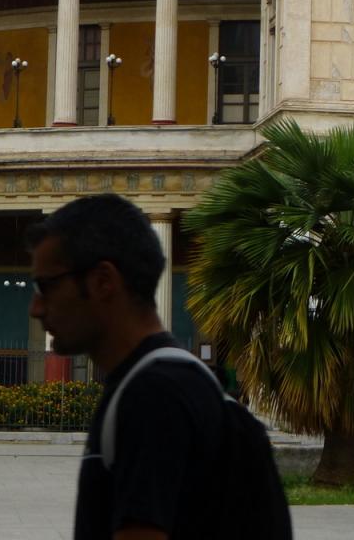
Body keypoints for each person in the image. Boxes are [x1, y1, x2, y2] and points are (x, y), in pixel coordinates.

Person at [29, 194, 226, 540]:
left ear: (103, 282)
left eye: (47, 286)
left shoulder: (154, 398)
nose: (36, 308)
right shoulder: (158, 383)